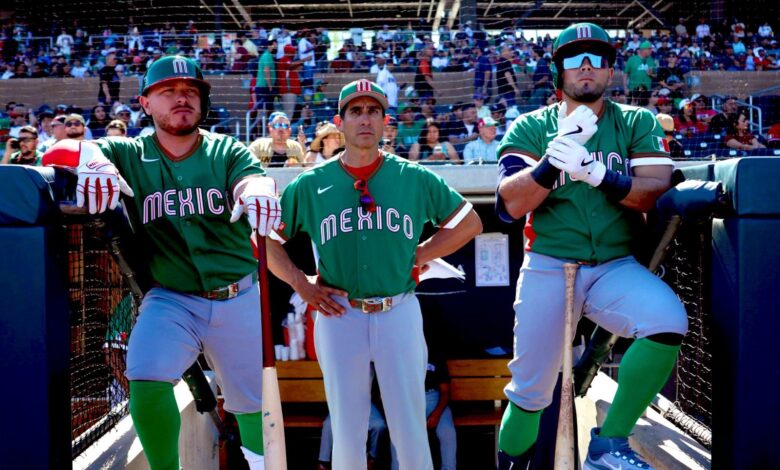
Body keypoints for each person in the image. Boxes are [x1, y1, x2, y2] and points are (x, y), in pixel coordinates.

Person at [42, 55, 281, 470]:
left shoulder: (225, 149)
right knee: (145, 374)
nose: (181, 98)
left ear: (202, 101)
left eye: (190, 91)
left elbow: (250, 178)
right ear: (145, 103)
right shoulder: (127, 152)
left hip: (237, 295)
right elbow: (58, 151)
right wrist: (90, 159)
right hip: (172, 298)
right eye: (168, 91)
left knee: (249, 404)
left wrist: (257, 187)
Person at [495, 23, 688, 469]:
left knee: (667, 320)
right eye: (575, 58)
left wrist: (600, 175)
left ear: (610, 70)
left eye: (597, 58)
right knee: (530, 392)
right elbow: (510, 205)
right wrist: (551, 162)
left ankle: (609, 444)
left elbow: (655, 189)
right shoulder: (531, 126)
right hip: (547, 263)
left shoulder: (635, 121)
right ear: (557, 70)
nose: (586, 66)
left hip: (613, 265)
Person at [265, 79, 482, 470]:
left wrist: (421, 253)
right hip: (340, 314)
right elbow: (265, 240)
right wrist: (300, 283)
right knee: (347, 431)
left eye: (373, 111)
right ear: (340, 123)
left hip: (398, 309)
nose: (365, 119)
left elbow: (470, 223)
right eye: (356, 111)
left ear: (385, 122)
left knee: (410, 429)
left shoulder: (412, 177)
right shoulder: (312, 183)